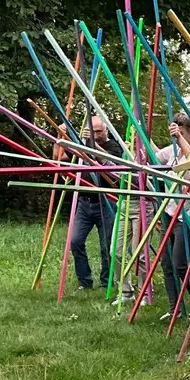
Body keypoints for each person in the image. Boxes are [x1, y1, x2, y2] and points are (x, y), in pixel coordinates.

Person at [155, 113, 190, 321]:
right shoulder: (171, 152)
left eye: (182, 134)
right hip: (171, 213)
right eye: (176, 134)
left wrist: (180, 139)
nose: (178, 138)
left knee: (180, 263)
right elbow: (154, 156)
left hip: (189, 217)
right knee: (167, 264)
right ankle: (175, 307)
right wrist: (140, 135)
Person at [68, 115, 125, 291]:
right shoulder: (82, 145)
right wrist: (63, 134)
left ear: (106, 130)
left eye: (100, 131)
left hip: (107, 200)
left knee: (107, 245)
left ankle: (106, 281)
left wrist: (93, 145)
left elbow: (110, 163)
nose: (97, 135)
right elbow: (61, 154)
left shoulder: (115, 147)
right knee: (75, 241)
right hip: (84, 203)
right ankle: (84, 282)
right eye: (94, 132)